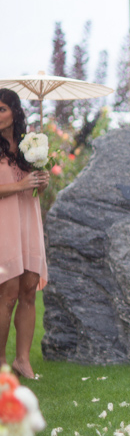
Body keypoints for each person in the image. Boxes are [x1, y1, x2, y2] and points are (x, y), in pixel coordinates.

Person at [0, 89, 49, 379]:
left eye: (2, 109)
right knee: (8, 293)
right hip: (4, 226)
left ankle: (22, 360)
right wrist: (21, 185)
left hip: (28, 222)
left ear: (15, 112)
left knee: (29, 289)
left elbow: (35, 187)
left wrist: (40, 181)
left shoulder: (31, 145)